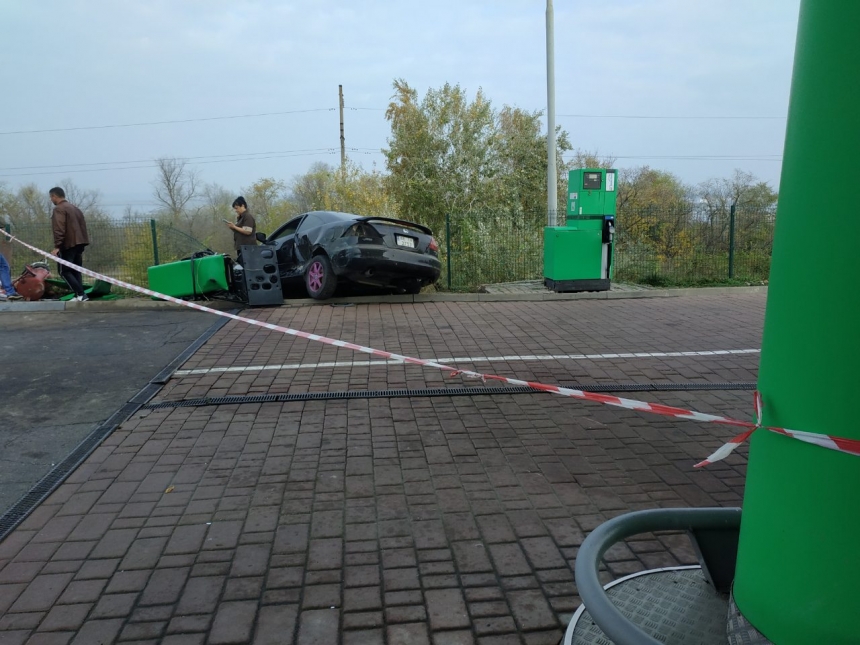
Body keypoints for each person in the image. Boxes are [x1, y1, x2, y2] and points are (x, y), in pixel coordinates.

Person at [49, 187, 90, 301]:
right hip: (80, 243)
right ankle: (80, 296)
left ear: (54, 196)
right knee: (76, 270)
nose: (51, 199)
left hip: (68, 244)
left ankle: (80, 294)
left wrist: (57, 246)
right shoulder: (75, 208)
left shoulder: (59, 209)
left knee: (64, 271)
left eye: (51, 197)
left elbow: (59, 228)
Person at [225, 196, 257, 265]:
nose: (236, 210)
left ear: (242, 205)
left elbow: (247, 231)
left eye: (237, 208)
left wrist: (234, 226)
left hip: (248, 248)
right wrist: (232, 228)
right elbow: (240, 231)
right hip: (241, 248)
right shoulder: (240, 218)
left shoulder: (247, 216)